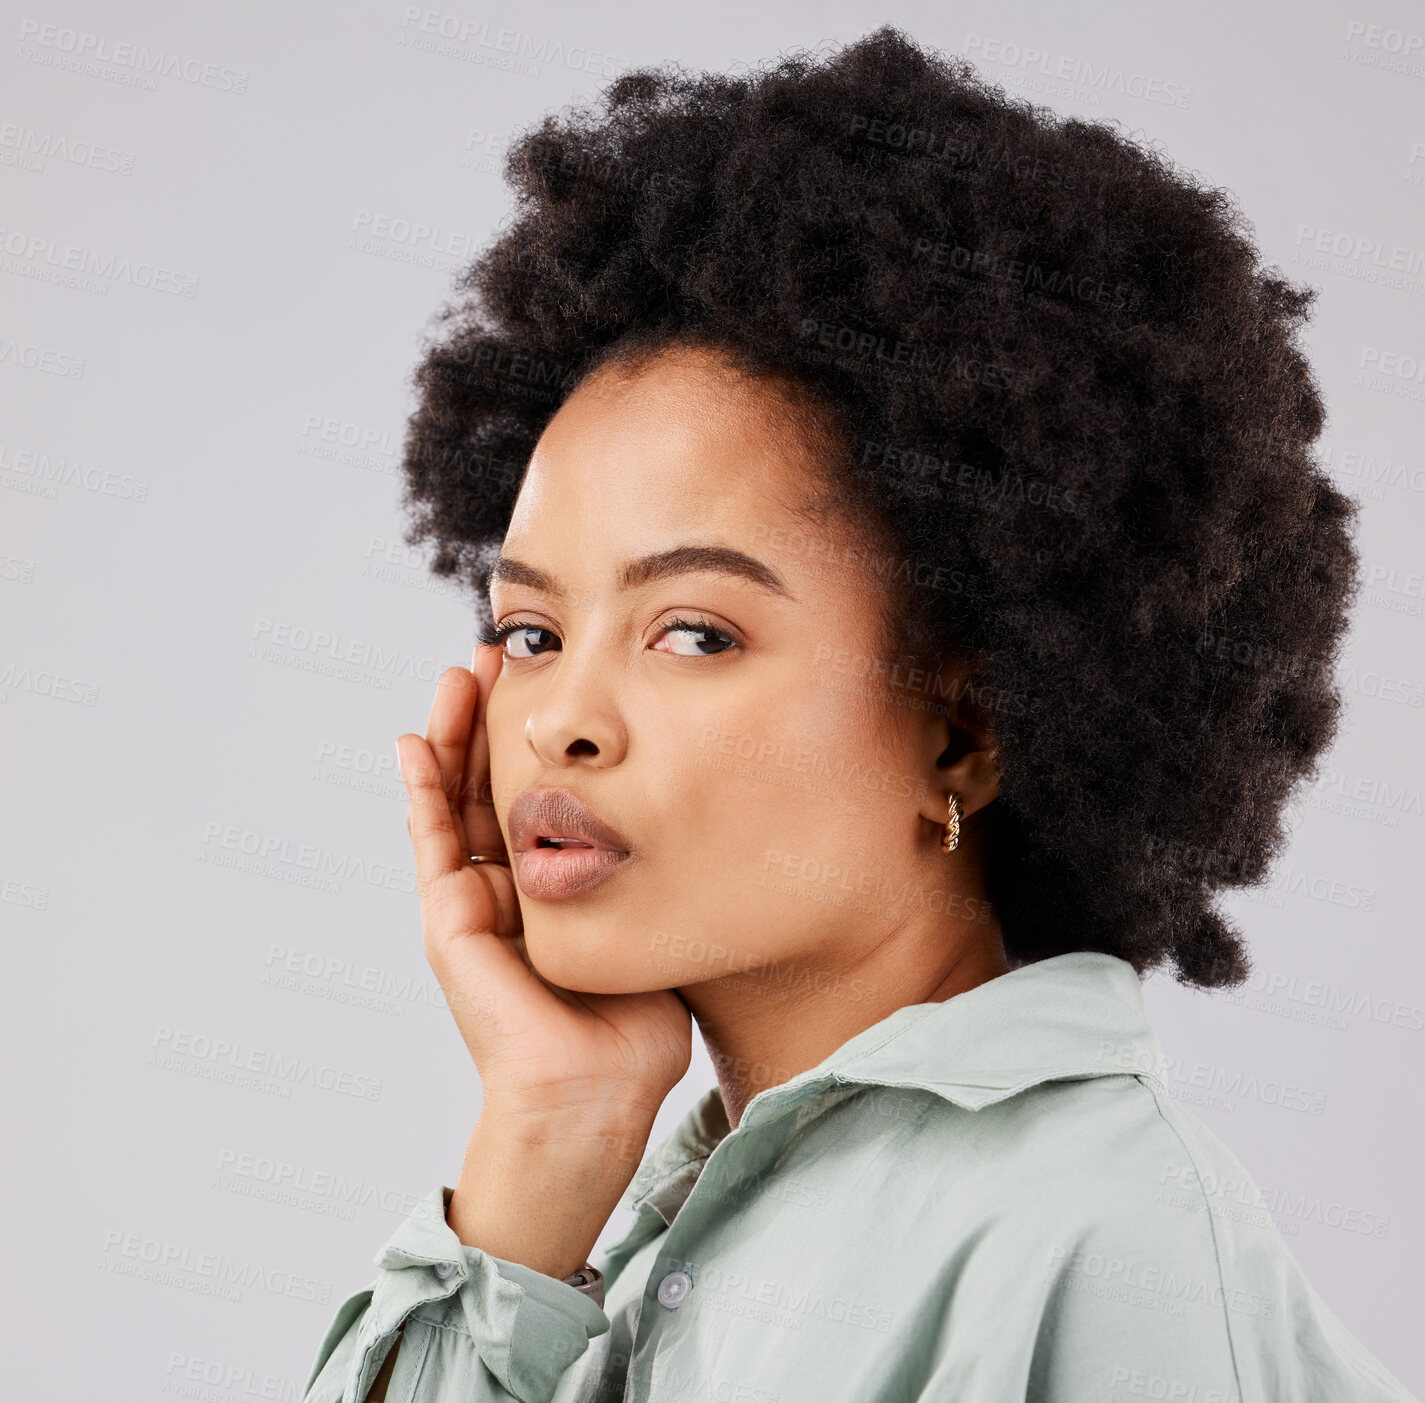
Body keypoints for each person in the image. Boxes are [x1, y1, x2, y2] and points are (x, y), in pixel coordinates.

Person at [300, 26, 1418, 1403]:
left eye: (693, 631)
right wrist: (552, 1122)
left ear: (962, 734)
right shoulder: (668, 1205)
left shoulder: (1092, 1236)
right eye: (529, 631)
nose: (557, 720)